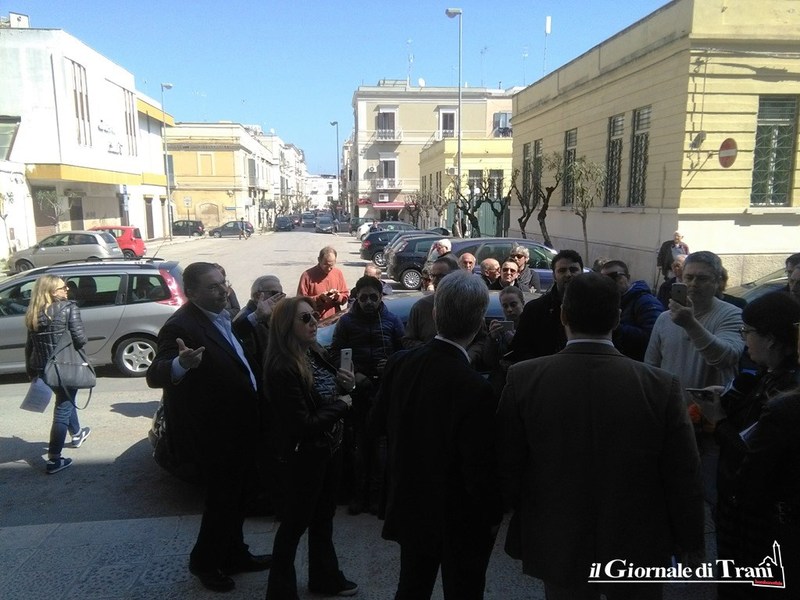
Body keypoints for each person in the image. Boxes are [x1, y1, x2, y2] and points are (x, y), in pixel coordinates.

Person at [496, 272, 704, 600]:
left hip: (558, 537)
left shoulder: (523, 378)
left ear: (563, 315)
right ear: (617, 318)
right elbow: (683, 473)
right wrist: (691, 541)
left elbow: (508, 462)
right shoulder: (660, 385)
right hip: (637, 541)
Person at [370, 270, 503, 600]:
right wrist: (492, 515)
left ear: (434, 313)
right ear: (480, 323)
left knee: (411, 588)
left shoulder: (400, 363)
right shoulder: (475, 388)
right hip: (460, 519)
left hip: (410, 505)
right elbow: (479, 467)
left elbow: (375, 426)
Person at [146, 262, 270, 593]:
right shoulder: (181, 325)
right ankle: (204, 562)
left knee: (240, 497)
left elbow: (228, 345)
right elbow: (155, 373)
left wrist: (254, 318)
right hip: (215, 436)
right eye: (213, 287)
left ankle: (235, 554)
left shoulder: (218, 315)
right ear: (192, 292)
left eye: (223, 283)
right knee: (222, 503)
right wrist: (180, 364)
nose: (223, 290)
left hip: (240, 428)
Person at [694, 293, 800, 599]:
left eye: (748, 332)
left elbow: (752, 465)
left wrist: (719, 422)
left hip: (763, 529)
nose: (744, 340)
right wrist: (731, 400)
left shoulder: (786, 398)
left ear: (771, 339)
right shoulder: (771, 376)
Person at [263, 296, 358, 599]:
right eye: (305, 318)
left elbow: (327, 395)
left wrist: (347, 386)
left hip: (327, 450)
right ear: (285, 326)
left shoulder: (313, 352)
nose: (314, 322)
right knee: (294, 525)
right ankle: (280, 591)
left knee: (323, 519)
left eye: (314, 315)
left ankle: (325, 578)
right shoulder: (283, 367)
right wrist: (343, 405)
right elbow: (302, 423)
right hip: (304, 457)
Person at [645, 251, 744, 509]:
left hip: (712, 427)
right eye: (688, 278)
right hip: (672, 421)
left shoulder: (731, 315)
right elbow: (651, 368)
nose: (693, 284)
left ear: (718, 281)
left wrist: (690, 324)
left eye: (702, 278)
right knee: (671, 492)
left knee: (709, 495)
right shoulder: (664, 319)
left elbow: (726, 357)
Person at [331, 276, 404, 515]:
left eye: (374, 297)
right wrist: (356, 374)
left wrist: (391, 364)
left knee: (382, 448)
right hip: (358, 391)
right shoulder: (346, 322)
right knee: (360, 447)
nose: (369, 302)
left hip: (384, 391)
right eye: (364, 298)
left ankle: (377, 498)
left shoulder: (392, 321)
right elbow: (335, 354)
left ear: (381, 296)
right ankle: (358, 496)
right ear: (357, 297)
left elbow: (404, 352)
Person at [25, 275, 91, 474]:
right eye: (63, 288)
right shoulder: (69, 308)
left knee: (65, 400)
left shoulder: (33, 312)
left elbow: (29, 346)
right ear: (52, 292)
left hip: (42, 368)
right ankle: (54, 459)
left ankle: (77, 433)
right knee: (62, 409)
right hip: (66, 367)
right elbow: (80, 339)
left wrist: (31, 371)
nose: (67, 290)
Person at [509, 249, 584, 362]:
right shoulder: (535, 309)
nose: (568, 274)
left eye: (573, 270)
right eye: (562, 270)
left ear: (582, 272)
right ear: (554, 275)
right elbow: (520, 349)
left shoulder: (593, 307)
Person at [600, 259, 665, 361]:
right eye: (604, 280)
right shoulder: (612, 300)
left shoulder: (645, 302)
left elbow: (654, 338)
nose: (610, 283)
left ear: (628, 277)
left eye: (615, 277)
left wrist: (614, 326)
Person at [481, 286, 526, 401]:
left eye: (513, 304)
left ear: (522, 303)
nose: (509, 309)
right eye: (505, 306)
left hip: (524, 383)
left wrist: (516, 343)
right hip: (501, 385)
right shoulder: (499, 328)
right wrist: (493, 339)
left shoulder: (530, 326)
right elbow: (488, 361)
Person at [232, 275, 285, 367]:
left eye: (282, 294)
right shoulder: (248, 317)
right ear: (257, 296)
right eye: (274, 293)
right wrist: (257, 316)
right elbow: (236, 331)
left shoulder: (272, 314)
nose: (279, 298)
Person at [297, 246, 349, 319]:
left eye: (331, 265)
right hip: (314, 321)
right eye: (325, 265)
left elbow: (345, 296)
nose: (329, 268)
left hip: (334, 320)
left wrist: (337, 297)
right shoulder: (307, 275)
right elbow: (300, 302)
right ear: (319, 260)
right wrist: (320, 299)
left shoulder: (338, 273)